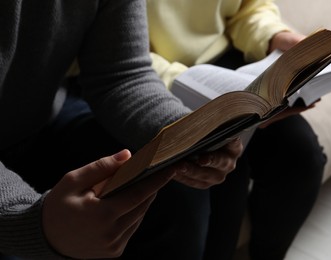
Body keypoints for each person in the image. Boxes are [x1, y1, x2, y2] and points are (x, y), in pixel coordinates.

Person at [0, 0, 245, 259]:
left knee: (175, 190)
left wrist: (185, 133)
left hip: (39, 120)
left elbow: (120, 72)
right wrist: (30, 222)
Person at [146, 0, 328, 259]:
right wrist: (225, 108)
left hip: (222, 62)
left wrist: (273, 37)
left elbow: (248, 7)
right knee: (225, 178)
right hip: (154, 77)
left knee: (303, 159)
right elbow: (114, 52)